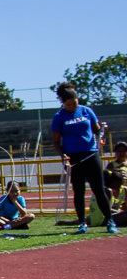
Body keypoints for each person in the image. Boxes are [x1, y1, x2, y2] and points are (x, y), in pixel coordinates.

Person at [51, 82, 116, 234]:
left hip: (91, 154)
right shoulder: (59, 117)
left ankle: (110, 221)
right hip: (74, 158)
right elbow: (56, 141)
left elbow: (97, 129)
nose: (72, 107)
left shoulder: (87, 111)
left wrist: (101, 135)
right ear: (63, 103)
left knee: (99, 189)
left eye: (74, 103)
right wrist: (63, 156)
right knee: (78, 191)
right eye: (68, 105)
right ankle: (81, 223)